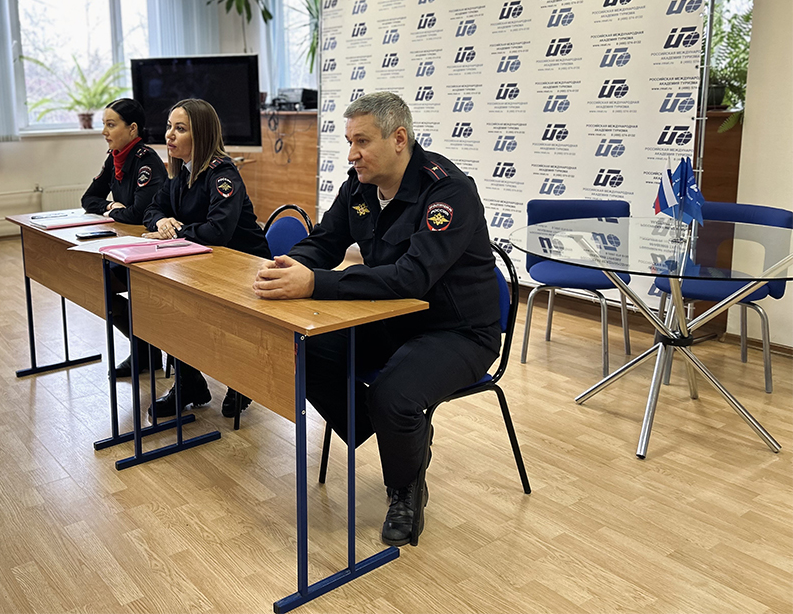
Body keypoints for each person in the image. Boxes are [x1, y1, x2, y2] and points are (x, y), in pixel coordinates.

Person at [253, 91, 501, 548]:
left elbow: (412, 277)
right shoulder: (359, 185)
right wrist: (289, 266)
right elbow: (325, 241)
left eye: (362, 142)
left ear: (399, 139)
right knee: (301, 349)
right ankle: (399, 434)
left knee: (394, 395)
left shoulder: (448, 191)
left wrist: (315, 283)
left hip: (459, 330)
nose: (352, 154)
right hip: (390, 319)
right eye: (349, 141)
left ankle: (405, 487)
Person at [144, 98, 270, 419]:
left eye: (180, 129)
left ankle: (242, 379)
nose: (169, 135)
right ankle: (190, 384)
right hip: (204, 264)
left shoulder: (222, 173)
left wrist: (176, 231)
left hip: (244, 268)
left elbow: (218, 231)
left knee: (191, 308)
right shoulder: (180, 171)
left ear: (200, 135)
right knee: (166, 302)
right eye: (169, 127)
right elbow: (152, 208)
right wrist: (162, 221)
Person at [81, 98, 169, 378]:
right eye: (104, 125)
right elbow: (88, 199)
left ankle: (147, 350)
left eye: (111, 125)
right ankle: (144, 350)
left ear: (132, 129)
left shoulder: (146, 161)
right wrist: (110, 205)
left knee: (104, 283)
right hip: (126, 244)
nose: (104, 132)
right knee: (95, 284)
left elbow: (138, 214)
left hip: (152, 249)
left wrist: (116, 211)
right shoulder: (115, 157)